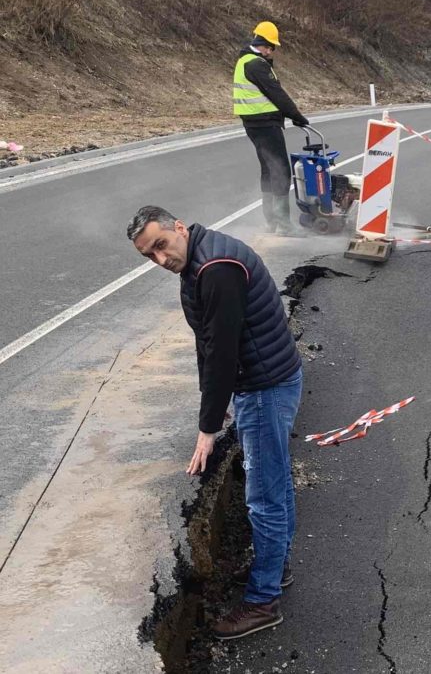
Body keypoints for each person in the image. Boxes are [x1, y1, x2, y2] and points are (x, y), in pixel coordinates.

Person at [126, 205, 302, 640]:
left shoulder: (216, 268)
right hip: (264, 380)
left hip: (264, 388)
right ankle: (274, 568)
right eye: (149, 256)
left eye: (161, 246)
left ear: (180, 228)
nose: (160, 260)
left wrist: (208, 429)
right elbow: (209, 341)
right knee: (275, 485)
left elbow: (222, 351)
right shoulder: (200, 258)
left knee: (264, 497)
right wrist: (215, 401)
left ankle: (263, 601)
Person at [234, 21, 309, 236]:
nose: (272, 51)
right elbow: (276, 93)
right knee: (280, 170)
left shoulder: (244, 61)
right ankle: (284, 226)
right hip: (265, 123)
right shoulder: (257, 64)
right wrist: (297, 116)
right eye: (272, 47)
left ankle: (271, 222)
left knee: (267, 170)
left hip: (253, 124)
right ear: (265, 44)